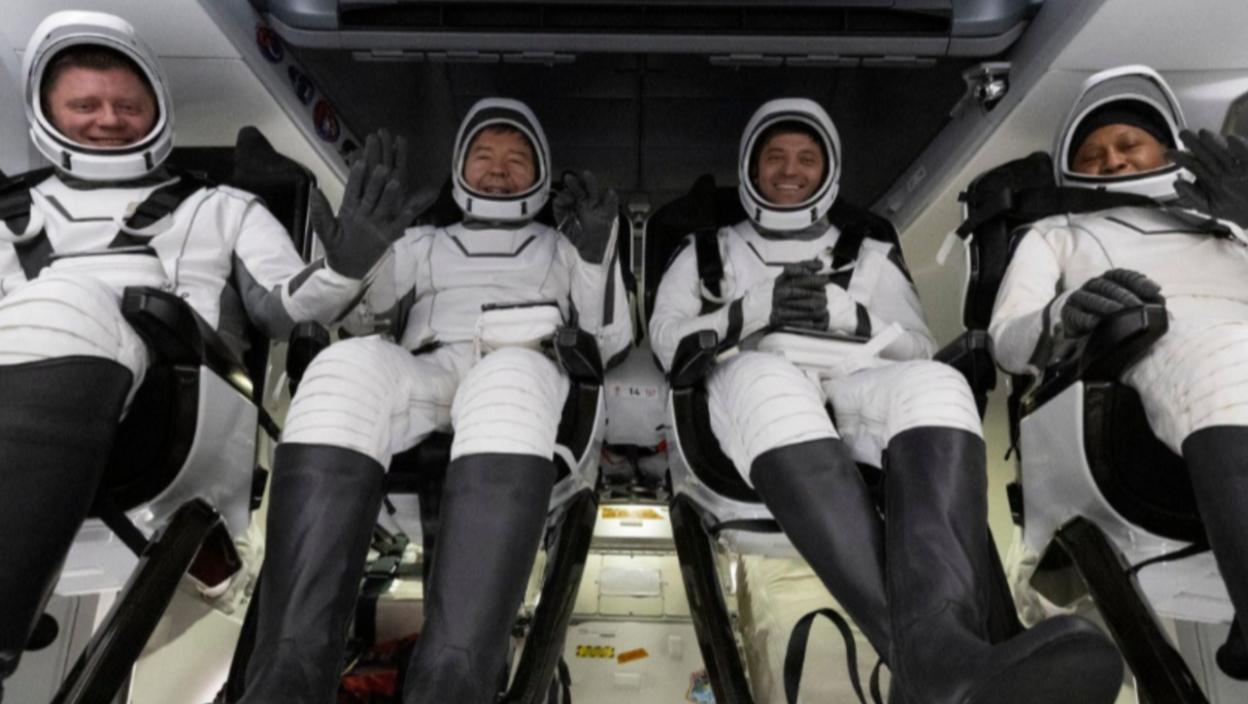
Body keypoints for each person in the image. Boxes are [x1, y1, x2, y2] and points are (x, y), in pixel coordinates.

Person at [650, 97, 1123, 703]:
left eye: (806, 158)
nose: (791, 170)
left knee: (939, 384)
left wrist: (851, 316)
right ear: (751, 167)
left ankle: (937, 664)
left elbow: (918, 347)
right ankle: (943, 662)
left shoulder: (867, 251)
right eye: (776, 157)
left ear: (828, 171)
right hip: (748, 378)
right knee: (768, 380)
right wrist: (751, 311)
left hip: (856, 374)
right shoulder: (705, 252)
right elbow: (666, 340)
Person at [0, 10, 405, 696]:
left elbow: (283, 305)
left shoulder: (220, 207)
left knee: (63, 301)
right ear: (46, 111)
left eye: (126, 105)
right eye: (85, 106)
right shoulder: (11, 211)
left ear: (155, 106)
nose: (108, 120)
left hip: (178, 407)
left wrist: (343, 269)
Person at [237, 97, 631, 704]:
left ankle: (453, 684)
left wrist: (597, 255)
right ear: (459, 168)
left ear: (542, 175)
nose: (498, 170)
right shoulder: (421, 242)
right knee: (342, 367)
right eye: (484, 156)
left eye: (517, 159)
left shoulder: (562, 248)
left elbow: (608, 341)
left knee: (507, 381)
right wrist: (354, 260)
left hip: (525, 368)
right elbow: (361, 317)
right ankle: (286, 678)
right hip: (429, 368)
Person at [990, 64, 1248, 678]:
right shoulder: (1058, 233)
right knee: (1226, 358)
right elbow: (1007, 341)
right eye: (1093, 154)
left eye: (1130, 143)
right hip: (1159, 340)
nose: (1112, 159)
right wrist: (1065, 314)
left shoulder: (1226, 224)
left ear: (1166, 150)